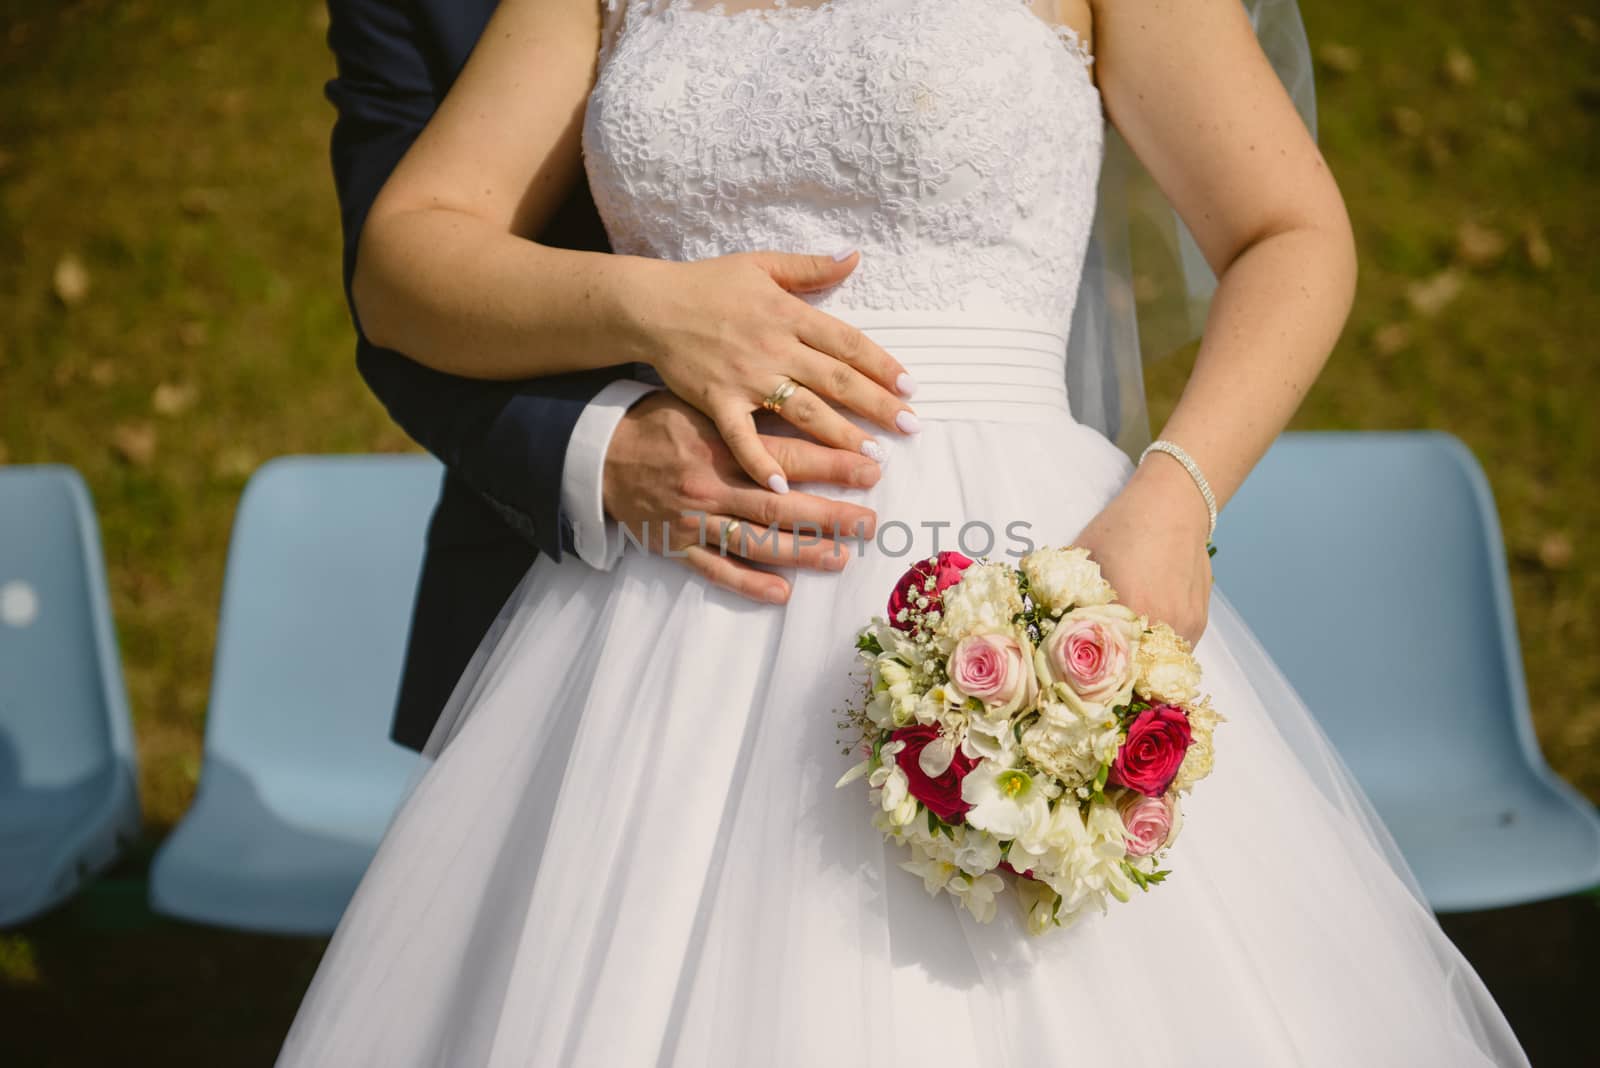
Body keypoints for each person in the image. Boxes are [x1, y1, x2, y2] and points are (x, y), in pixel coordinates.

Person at [281, 0, 1531, 1063]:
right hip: (676, 605)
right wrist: (649, 305)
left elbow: (1287, 230)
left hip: (1025, 579)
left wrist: (1176, 494)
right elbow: (403, 260)